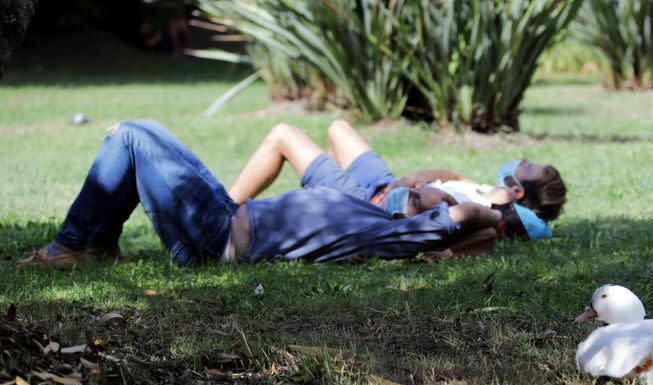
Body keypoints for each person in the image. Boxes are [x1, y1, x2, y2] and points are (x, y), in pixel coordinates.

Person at [16, 120, 501, 268]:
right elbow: (288, 138)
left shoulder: (384, 236)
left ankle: (73, 246)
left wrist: (481, 214)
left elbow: (472, 219)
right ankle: (94, 243)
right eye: (417, 188)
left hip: (218, 236)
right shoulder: (360, 202)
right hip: (223, 215)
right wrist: (426, 193)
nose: (413, 191)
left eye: (420, 199)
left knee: (130, 140)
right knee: (136, 129)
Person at [226, 119, 567, 241]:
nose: (519, 160)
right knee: (338, 129)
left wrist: (418, 192)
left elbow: (437, 225)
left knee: (283, 135)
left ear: (517, 190)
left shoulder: (484, 215)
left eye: (525, 165)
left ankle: (223, 214)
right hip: (385, 186)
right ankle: (325, 187)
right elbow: (453, 176)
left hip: (368, 207)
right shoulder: (485, 192)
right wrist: (416, 177)